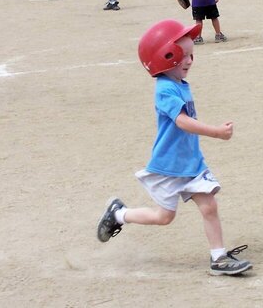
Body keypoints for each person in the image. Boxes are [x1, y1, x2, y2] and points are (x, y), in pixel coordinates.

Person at [97, 19, 253, 276]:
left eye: (192, 55)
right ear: (165, 57)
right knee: (164, 217)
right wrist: (216, 132)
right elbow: (182, 122)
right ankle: (119, 215)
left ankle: (218, 258)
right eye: (185, 56)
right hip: (170, 166)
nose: (190, 61)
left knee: (209, 206)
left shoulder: (179, 84)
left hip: (192, 163)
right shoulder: (165, 90)